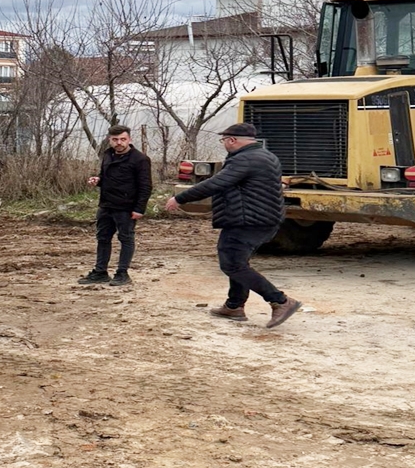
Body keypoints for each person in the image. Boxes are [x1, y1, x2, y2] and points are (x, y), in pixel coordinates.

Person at [164, 123, 302, 327]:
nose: (224, 144)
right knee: (237, 263)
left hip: (247, 221)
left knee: (231, 264)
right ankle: (234, 305)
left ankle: (280, 301)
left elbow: (216, 183)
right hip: (260, 219)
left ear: (232, 140)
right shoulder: (266, 156)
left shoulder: (245, 160)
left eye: (224, 140)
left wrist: (180, 198)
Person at [79, 125, 153, 286]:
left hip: (126, 207)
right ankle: (100, 272)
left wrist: (139, 209)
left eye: (122, 139)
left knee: (126, 238)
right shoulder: (107, 155)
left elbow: (146, 186)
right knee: (103, 238)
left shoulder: (140, 159)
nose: (119, 143)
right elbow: (105, 176)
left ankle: (122, 273)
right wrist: (98, 180)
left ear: (129, 139)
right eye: (115, 140)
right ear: (109, 140)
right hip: (106, 205)